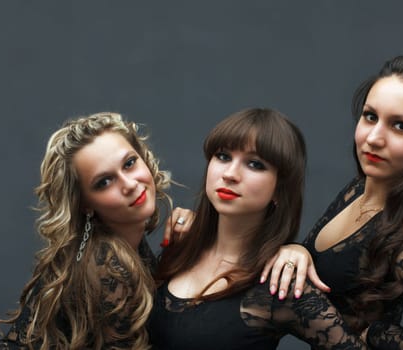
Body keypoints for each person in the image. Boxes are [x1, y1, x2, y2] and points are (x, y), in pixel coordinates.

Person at [263, 55, 403, 348]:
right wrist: (296, 250)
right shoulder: (356, 190)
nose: (375, 138)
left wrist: (380, 336)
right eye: (370, 116)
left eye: (401, 126)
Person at [148, 108, 368, 349]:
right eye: (223, 156)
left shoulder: (279, 281)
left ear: (279, 190)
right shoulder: (180, 245)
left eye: (254, 164)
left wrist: (296, 249)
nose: (230, 174)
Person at [0, 112, 190, 349]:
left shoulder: (125, 244)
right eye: (104, 182)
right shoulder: (104, 262)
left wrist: (185, 247)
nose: (129, 184)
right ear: (85, 204)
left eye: (129, 163)